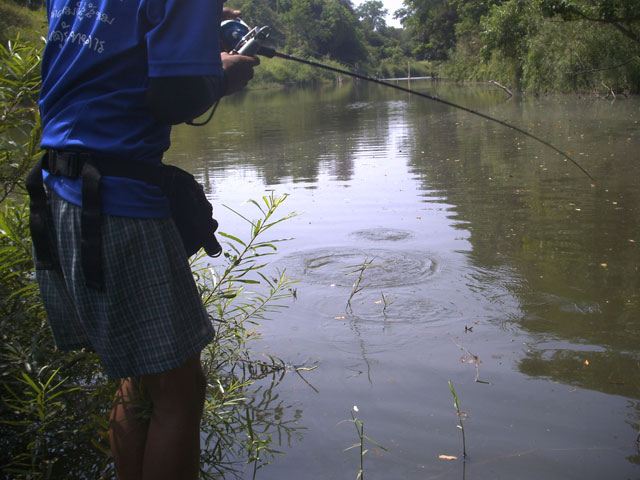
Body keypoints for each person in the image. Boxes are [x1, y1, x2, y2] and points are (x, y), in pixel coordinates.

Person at [32, 0, 258, 478]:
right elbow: (173, 97)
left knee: (142, 374)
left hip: (59, 192)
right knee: (180, 390)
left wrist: (198, 35)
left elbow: (112, 56)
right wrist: (224, 74)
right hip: (116, 200)